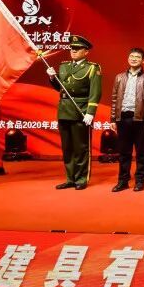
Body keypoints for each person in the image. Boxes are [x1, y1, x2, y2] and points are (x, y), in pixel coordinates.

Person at [46, 35, 102, 190]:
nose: (74, 51)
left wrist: (90, 112)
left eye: (77, 49)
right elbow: (61, 88)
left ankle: (81, 179)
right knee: (68, 147)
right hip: (64, 110)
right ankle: (70, 178)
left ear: (86, 51)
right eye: (72, 48)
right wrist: (52, 78)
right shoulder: (64, 66)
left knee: (81, 147)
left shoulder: (92, 68)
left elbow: (95, 92)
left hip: (80, 110)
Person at [109, 48, 144, 192]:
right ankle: (123, 181)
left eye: (137, 57)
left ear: (143, 60)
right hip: (123, 118)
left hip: (141, 119)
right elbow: (114, 99)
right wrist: (113, 118)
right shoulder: (119, 77)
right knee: (124, 152)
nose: (134, 59)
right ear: (128, 58)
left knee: (141, 151)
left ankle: (140, 180)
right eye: (131, 56)